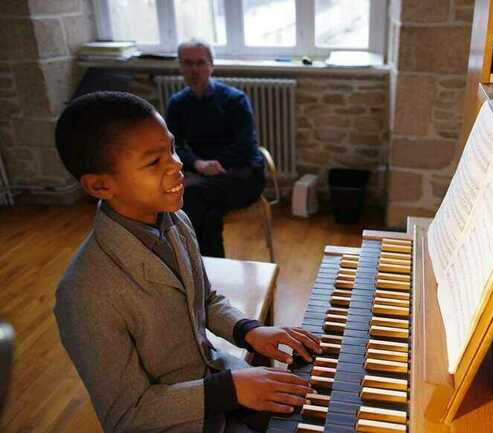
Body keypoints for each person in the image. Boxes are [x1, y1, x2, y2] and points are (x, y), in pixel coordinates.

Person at [54, 91, 320, 433]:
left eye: (172, 150)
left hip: (215, 381)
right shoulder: (83, 294)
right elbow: (127, 414)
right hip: (176, 421)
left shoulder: (177, 220)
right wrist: (232, 389)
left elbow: (205, 300)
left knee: (315, 405)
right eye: (154, 162)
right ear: (100, 185)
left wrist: (250, 331)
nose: (177, 165)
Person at [166, 40, 265, 258]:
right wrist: (199, 164)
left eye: (200, 63)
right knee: (209, 215)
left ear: (211, 65)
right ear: (180, 66)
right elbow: (173, 145)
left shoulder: (235, 100)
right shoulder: (177, 104)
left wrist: (214, 164)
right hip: (203, 178)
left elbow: (245, 146)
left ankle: (197, 269)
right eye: (187, 63)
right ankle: (213, 273)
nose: (194, 70)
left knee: (188, 194)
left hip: (241, 175)